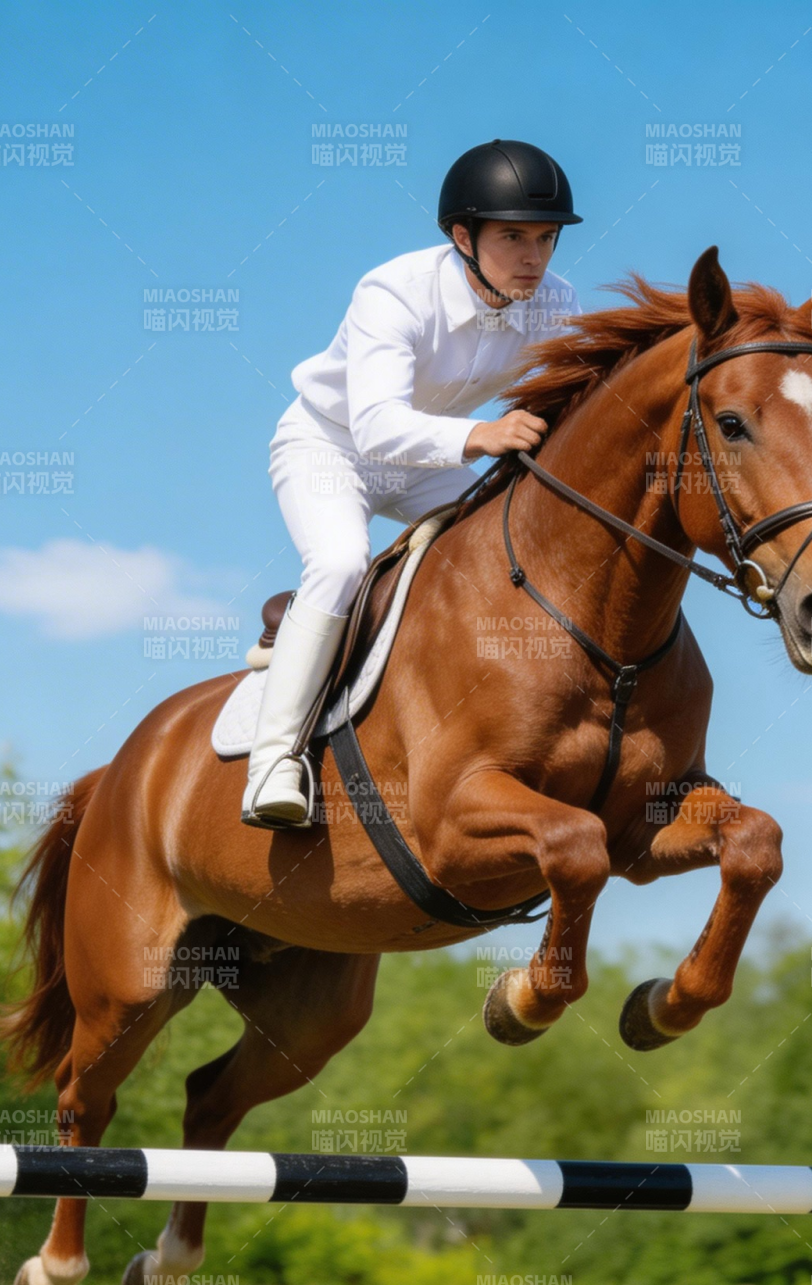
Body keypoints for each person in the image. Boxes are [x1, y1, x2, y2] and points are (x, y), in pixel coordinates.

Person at [241, 138, 583, 827]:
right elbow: (373, 427)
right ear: (463, 235)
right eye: (512, 236)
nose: (533, 258)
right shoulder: (393, 291)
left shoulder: (556, 303)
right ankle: (274, 762)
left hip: (426, 459)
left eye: (545, 239)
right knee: (339, 563)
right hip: (329, 446)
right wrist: (479, 436)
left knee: (495, 551)